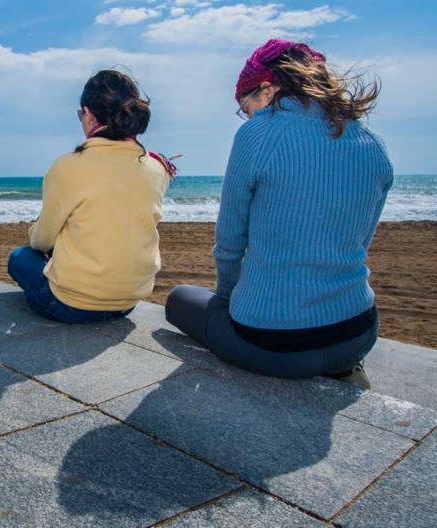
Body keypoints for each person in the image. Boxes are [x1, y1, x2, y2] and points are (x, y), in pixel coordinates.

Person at [165, 39, 393, 389]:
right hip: (357, 332)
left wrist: (226, 299)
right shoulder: (371, 142)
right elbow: (360, 239)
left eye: (247, 106)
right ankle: (343, 368)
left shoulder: (258, 135)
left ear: (268, 90)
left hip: (273, 344)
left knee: (180, 298)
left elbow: (229, 244)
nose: (249, 116)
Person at [8, 69, 176, 324]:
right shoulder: (157, 168)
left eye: (80, 115)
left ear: (87, 113)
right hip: (129, 301)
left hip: (72, 305)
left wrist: (39, 237)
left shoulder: (68, 166)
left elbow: (42, 240)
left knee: (20, 257)